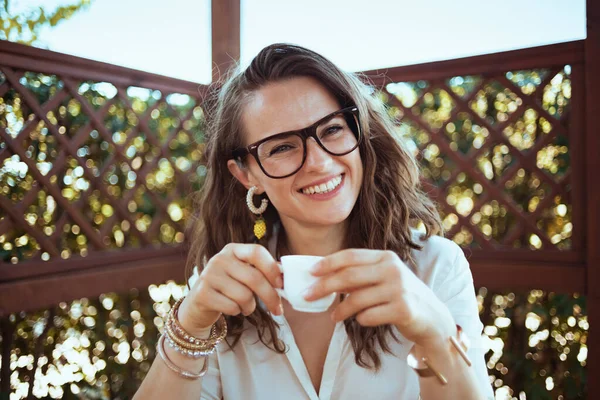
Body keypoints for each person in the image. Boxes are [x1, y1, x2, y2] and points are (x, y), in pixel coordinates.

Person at [134, 43, 494, 400]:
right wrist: (190, 326)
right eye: (281, 147)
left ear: (359, 132)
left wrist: (436, 332)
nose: (319, 162)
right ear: (247, 176)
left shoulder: (436, 268)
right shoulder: (223, 287)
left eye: (332, 129)